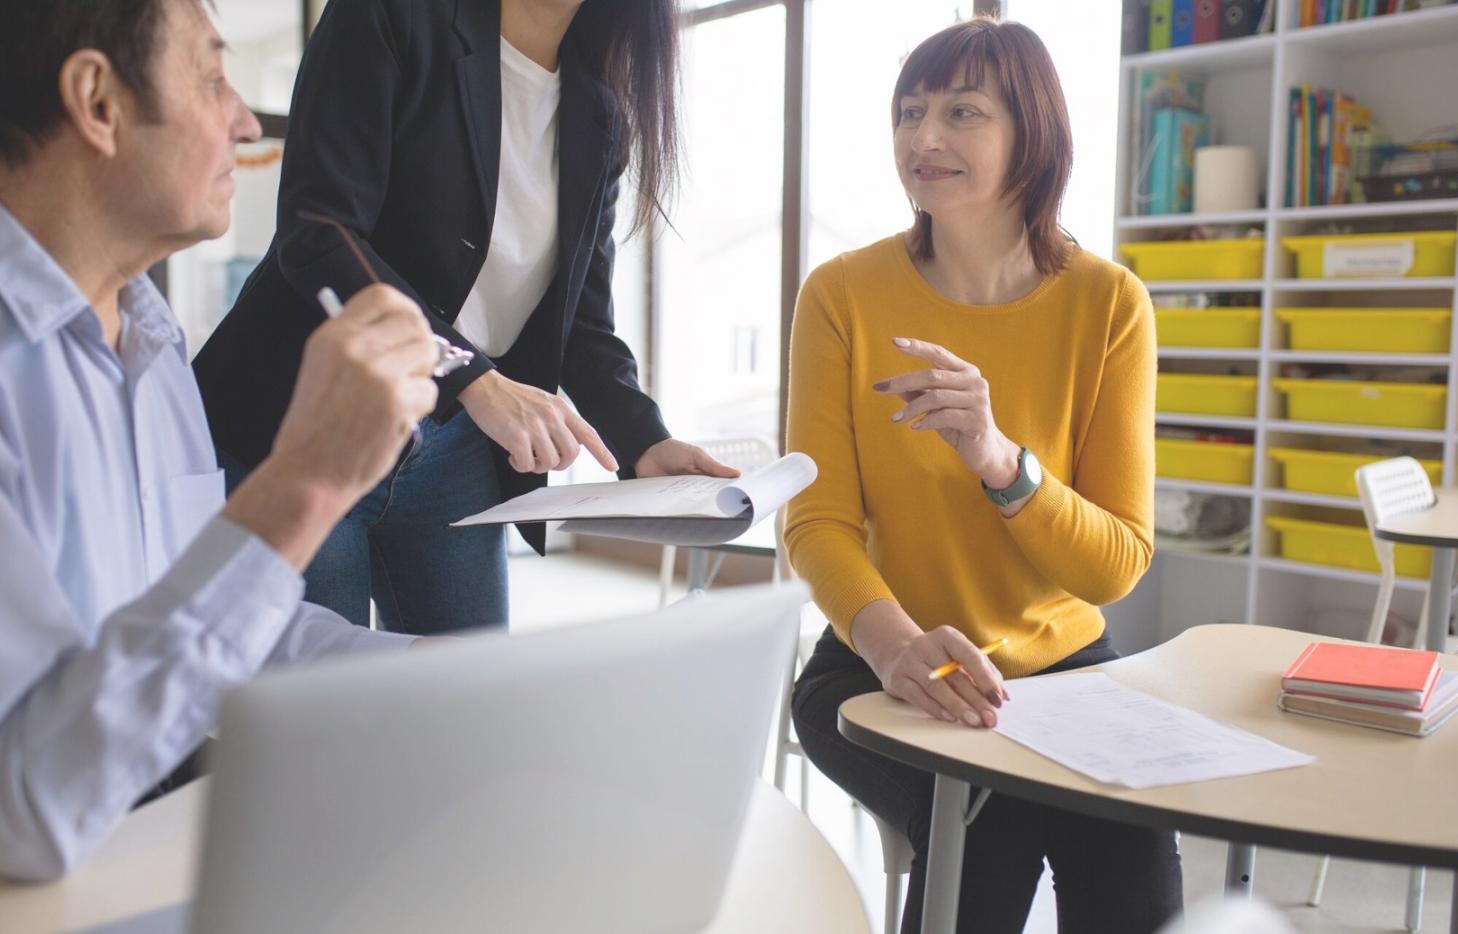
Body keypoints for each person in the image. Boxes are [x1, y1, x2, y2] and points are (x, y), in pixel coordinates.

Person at [0, 0, 444, 881]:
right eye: (211, 77)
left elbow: (243, 630)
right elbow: (26, 808)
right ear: (97, 102)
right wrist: (308, 482)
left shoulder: (153, 345)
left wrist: (466, 680)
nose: (244, 121)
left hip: (161, 832)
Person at [784, 17, 1182, 934]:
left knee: (1136, 870)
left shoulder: (1108, 302)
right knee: (986, 827)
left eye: (962, 112)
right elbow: (817, 522)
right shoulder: (842, 294)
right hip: (875, 661)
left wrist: (1002, 463)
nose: (923, 138)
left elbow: (1115, 566)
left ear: (1033, 134)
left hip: (1065, 670)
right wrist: (894, 647)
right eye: (909, 112)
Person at [192, 0, 732, 634]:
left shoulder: (600, 111)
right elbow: (320, 229)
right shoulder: (390, 17)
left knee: (462, 705)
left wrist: (646, 441)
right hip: (306, 421)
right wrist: (474, 375)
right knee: (323, 713)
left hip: (453, 452)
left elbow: (580, 322)